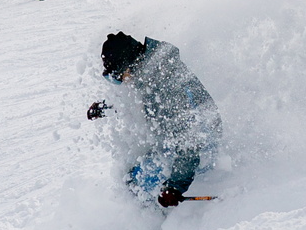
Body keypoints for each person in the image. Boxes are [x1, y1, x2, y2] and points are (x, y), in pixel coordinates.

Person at [94, 32, 223, 208]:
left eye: (118, 76)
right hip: (177, 141)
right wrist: (105, 108)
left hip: (202, 145)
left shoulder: (166, 87)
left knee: (140, 183)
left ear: (130, 64)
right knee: (133, 177)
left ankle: (168, 223)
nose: (120, 82)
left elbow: (189, 143)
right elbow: (134, 102)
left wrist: (175, 187)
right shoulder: (150, 71)